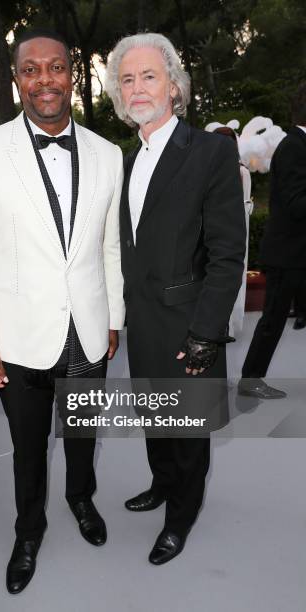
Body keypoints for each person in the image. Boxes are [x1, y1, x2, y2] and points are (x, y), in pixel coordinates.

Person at [0, 29, 125, 594]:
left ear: (70, 75)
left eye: (56, 67)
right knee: (28, 448)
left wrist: (113, 317)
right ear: (17, 80)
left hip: (89, 332)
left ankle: (81, 497)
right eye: (32, 70)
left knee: (82, 430)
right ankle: (29, 531)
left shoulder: (107, 153)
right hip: (19, 337)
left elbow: (109, 248)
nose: (45, 79)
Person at [106, 32, 245, 565]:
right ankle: (162, 484)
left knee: (187, 433)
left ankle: (180, 517)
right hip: (143, 322)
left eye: (148, 76)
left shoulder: (209, 151)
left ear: (174, 86)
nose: (138, 88)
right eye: (127, 79)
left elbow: (228, 252)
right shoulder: (123, 159)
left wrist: (207, 330)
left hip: (189, 323)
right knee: (154, 418)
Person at [238, 83, 306, 398]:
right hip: (288, 255)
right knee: (273, 320)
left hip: (297, 253)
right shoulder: (294, 147)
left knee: (275, 319)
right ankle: (250, 379)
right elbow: (296, 203)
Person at [213, 126, 253, 337]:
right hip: (213, 232)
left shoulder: (241, 171)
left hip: (235, 232)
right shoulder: (208, 169)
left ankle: (228, 322)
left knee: (233, 275)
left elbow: (245, 205)